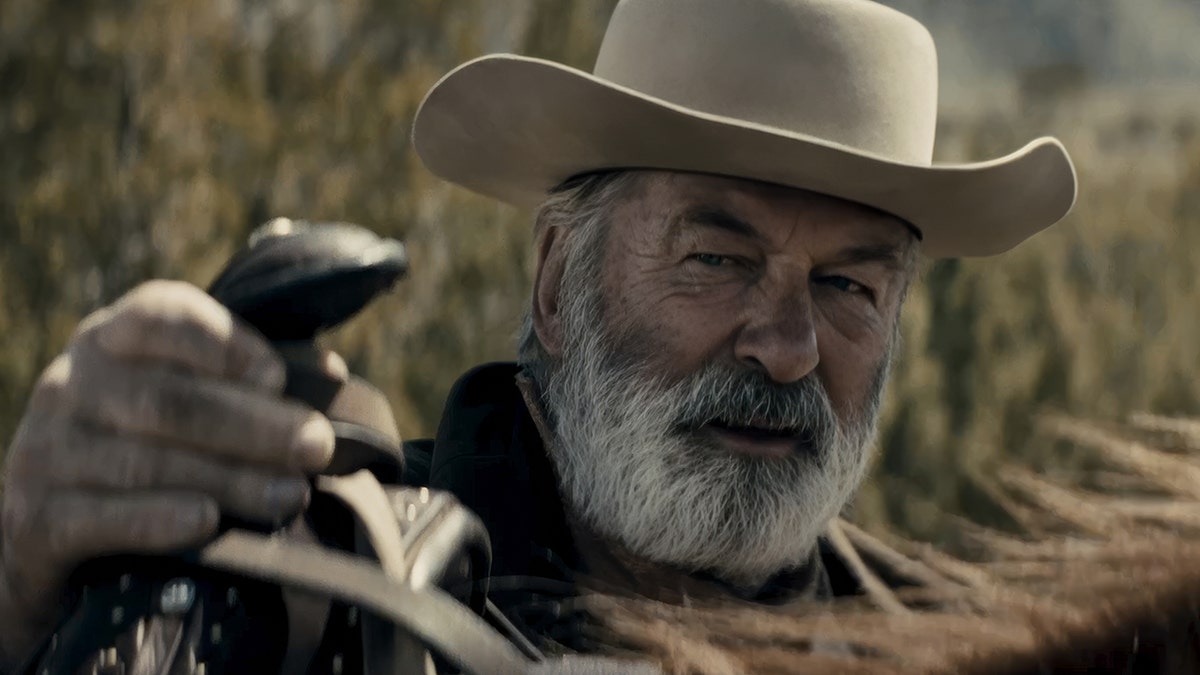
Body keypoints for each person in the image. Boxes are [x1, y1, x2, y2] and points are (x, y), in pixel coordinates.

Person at [0, 0, 1078, 667]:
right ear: (559, 281)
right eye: (718, 260)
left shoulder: (957, 645)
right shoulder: (331, 598)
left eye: (849, 288)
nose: (788, 348)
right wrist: (19, 590)